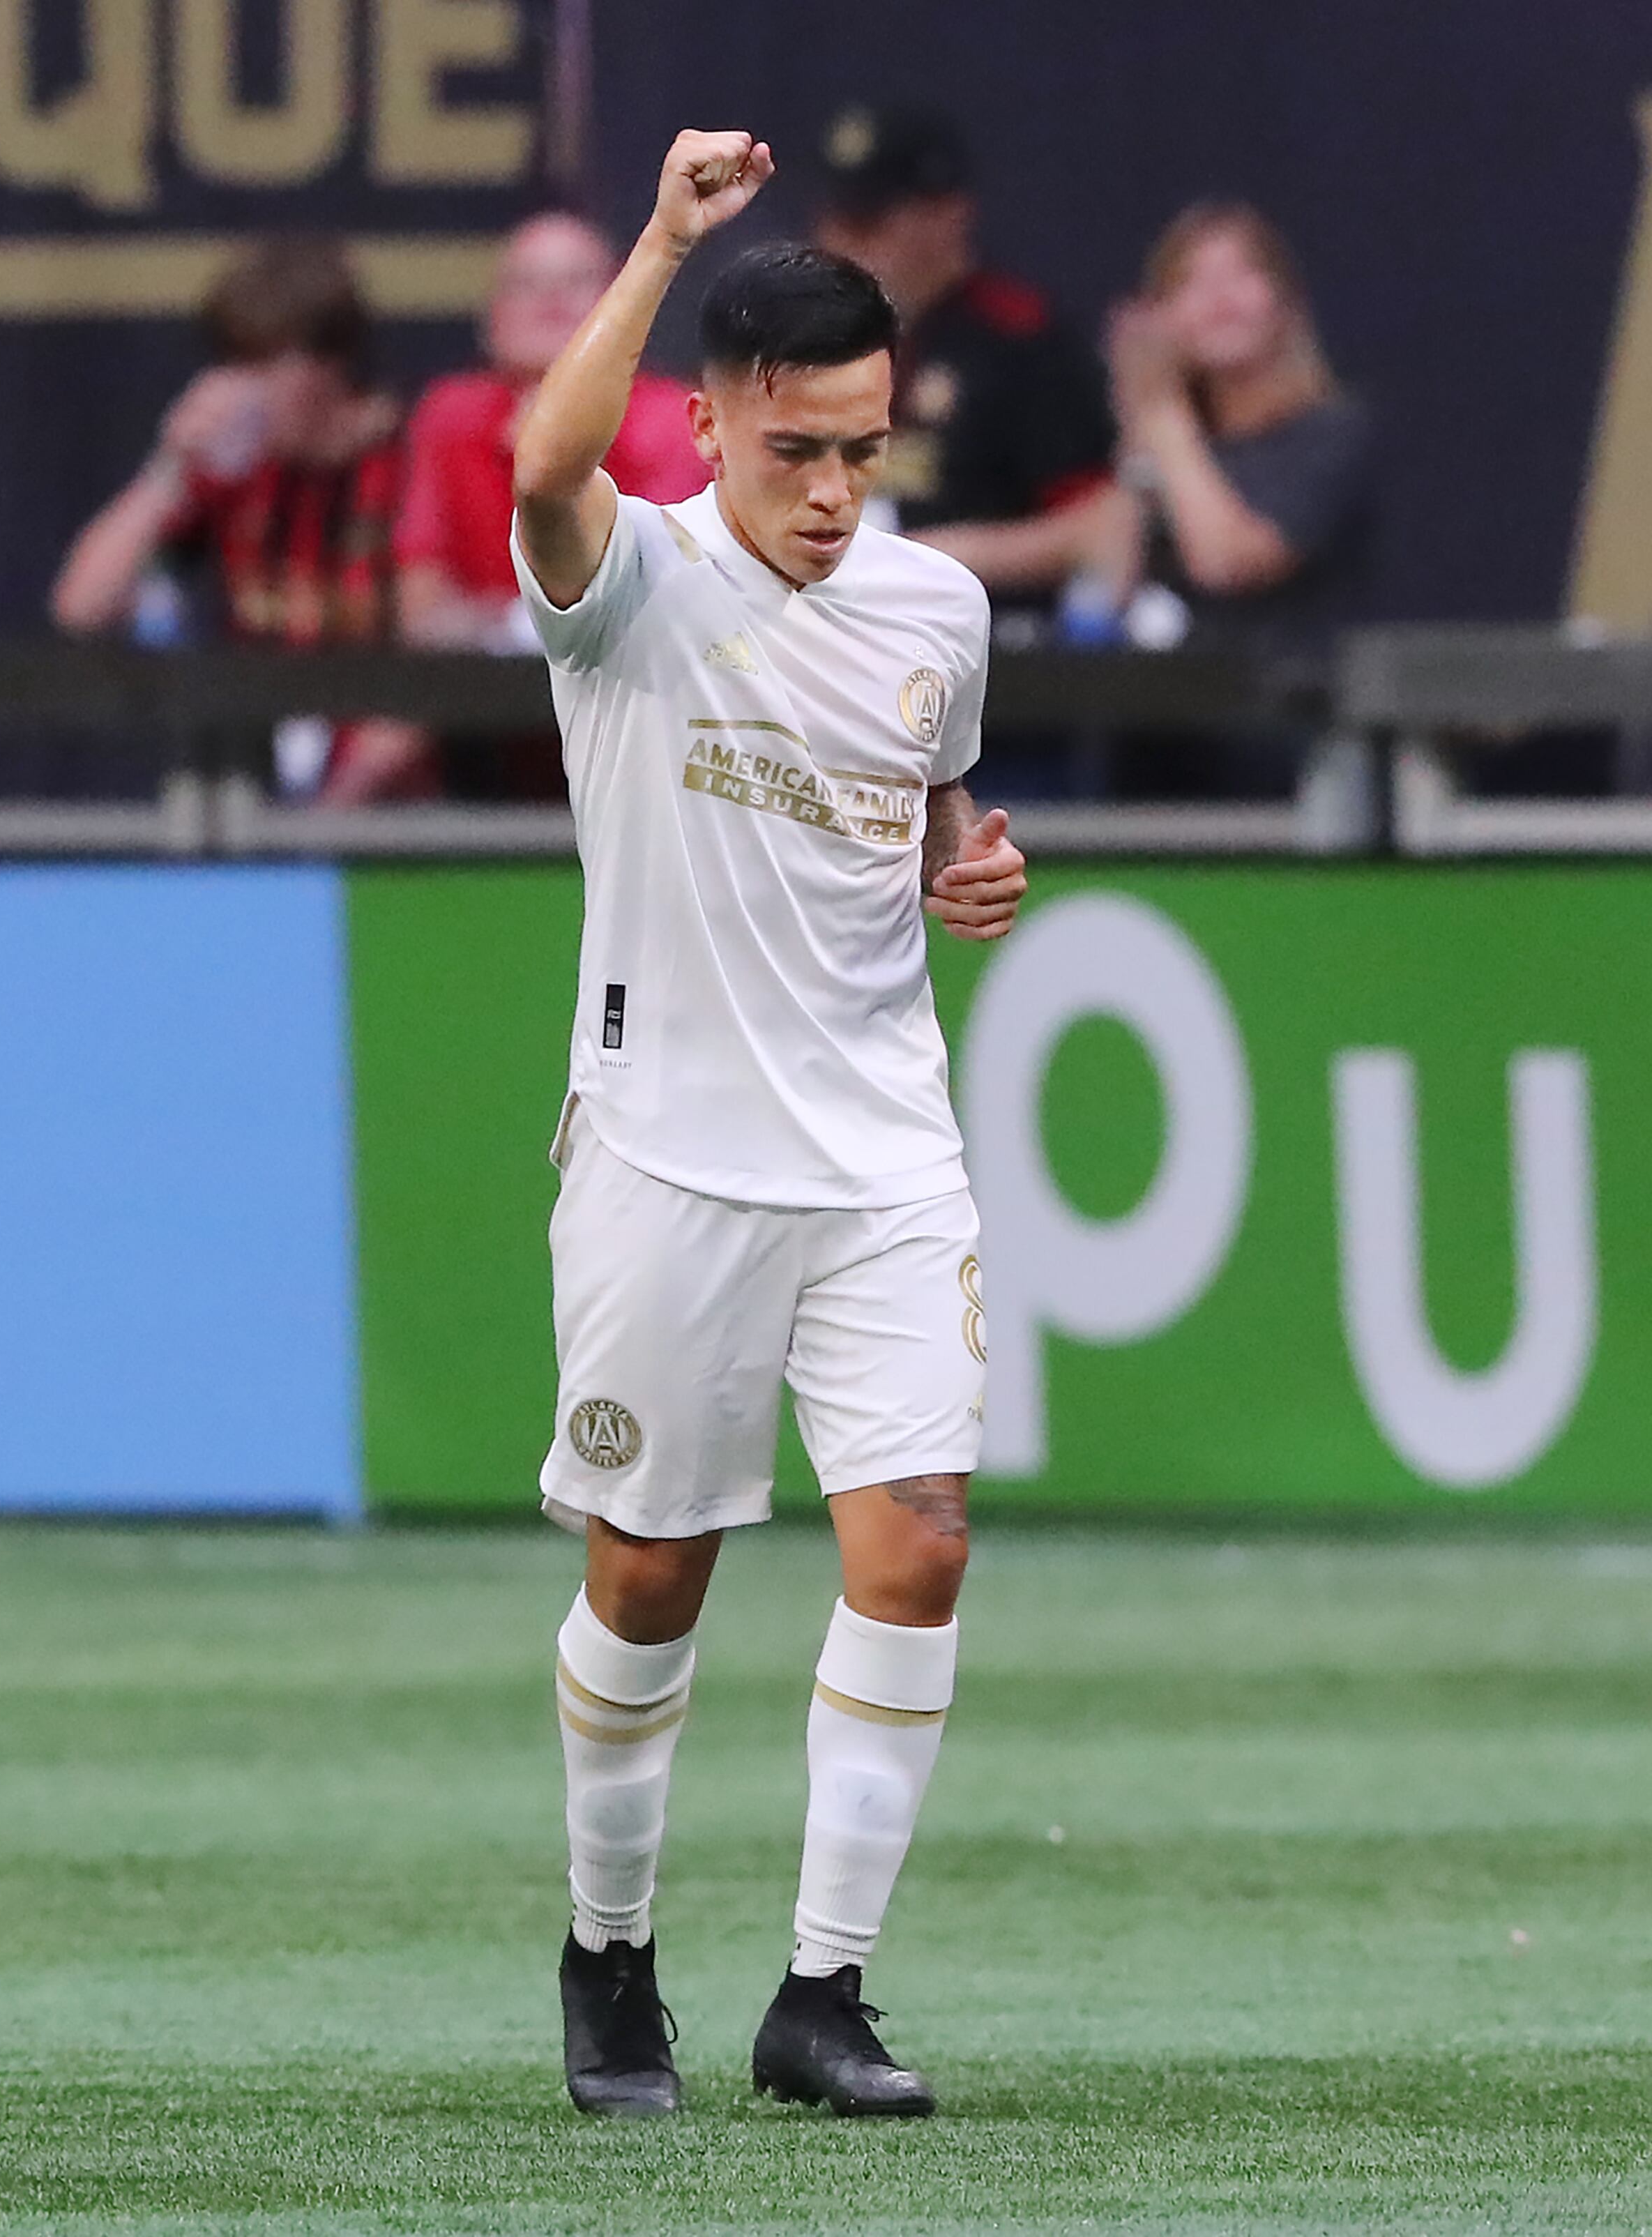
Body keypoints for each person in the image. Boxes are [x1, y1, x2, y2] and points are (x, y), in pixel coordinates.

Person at [510, 130, 1028, 2119]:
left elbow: (930, 817)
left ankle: (823, 1995)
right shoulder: (630, 578)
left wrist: (971, 868)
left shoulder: (938, 612)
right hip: (667, 1151)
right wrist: (657, 238)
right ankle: (610, 1951)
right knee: (652, 1576)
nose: (828, 491)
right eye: (794, 446)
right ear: (712, 415)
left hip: (888, 1151)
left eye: (862, 452)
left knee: (919, 1543)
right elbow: (544, 469)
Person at [48, 235, 411, 798]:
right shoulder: (233, 476)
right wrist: (169, 465)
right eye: (236, 363)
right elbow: (82, 607)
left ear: (333, 363)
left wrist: (331, 821)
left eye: (268, 363)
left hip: (398, 811)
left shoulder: (409, 461)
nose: (248, 389)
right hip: (256, 793)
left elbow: (431, 659)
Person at [811, 105, 1114, 605]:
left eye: (868, 222)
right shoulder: (807, 340)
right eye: (834, 219)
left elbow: (1097, 527)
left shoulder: (1021, 342)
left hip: (984, 636)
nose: (842, 243)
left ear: (946, 214)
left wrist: (907, 561)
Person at [395, 212, 710, 654]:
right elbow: (423, 613)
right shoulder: (450, 417)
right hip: (483, 704)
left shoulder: (672, 419)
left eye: (576, 280)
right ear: (492, 315)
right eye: (527, 283)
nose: (551, 298)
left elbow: (663, 602)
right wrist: (514, 627)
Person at [1087, 201, 1373, 648]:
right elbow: (1105, 587)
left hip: (1288, 699)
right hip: (1163, 700)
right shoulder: (1169, 438)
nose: (1220, 300)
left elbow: (1226, 563)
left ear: (1285, 301)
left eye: (1242, 275)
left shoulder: (1330, 432)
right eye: (1191, 282)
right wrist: (1137, 421)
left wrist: (1163, 410)